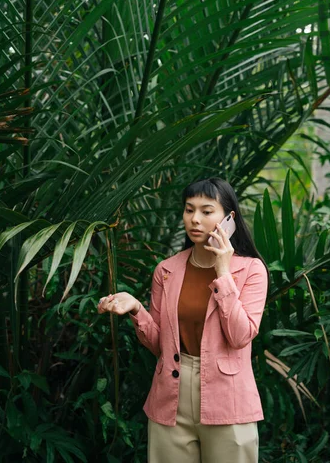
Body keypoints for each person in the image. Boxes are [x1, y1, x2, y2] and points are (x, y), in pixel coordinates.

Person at [97, 177, 269, 463]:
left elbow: (240, 337)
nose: (195, 219)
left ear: (229, 218)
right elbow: (160, 346)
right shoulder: (167, 270)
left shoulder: (251, 270)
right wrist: (137, 309)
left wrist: (223, 272)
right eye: (189, 210)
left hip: (228, 397)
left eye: (206, 211)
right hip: (171, 396)